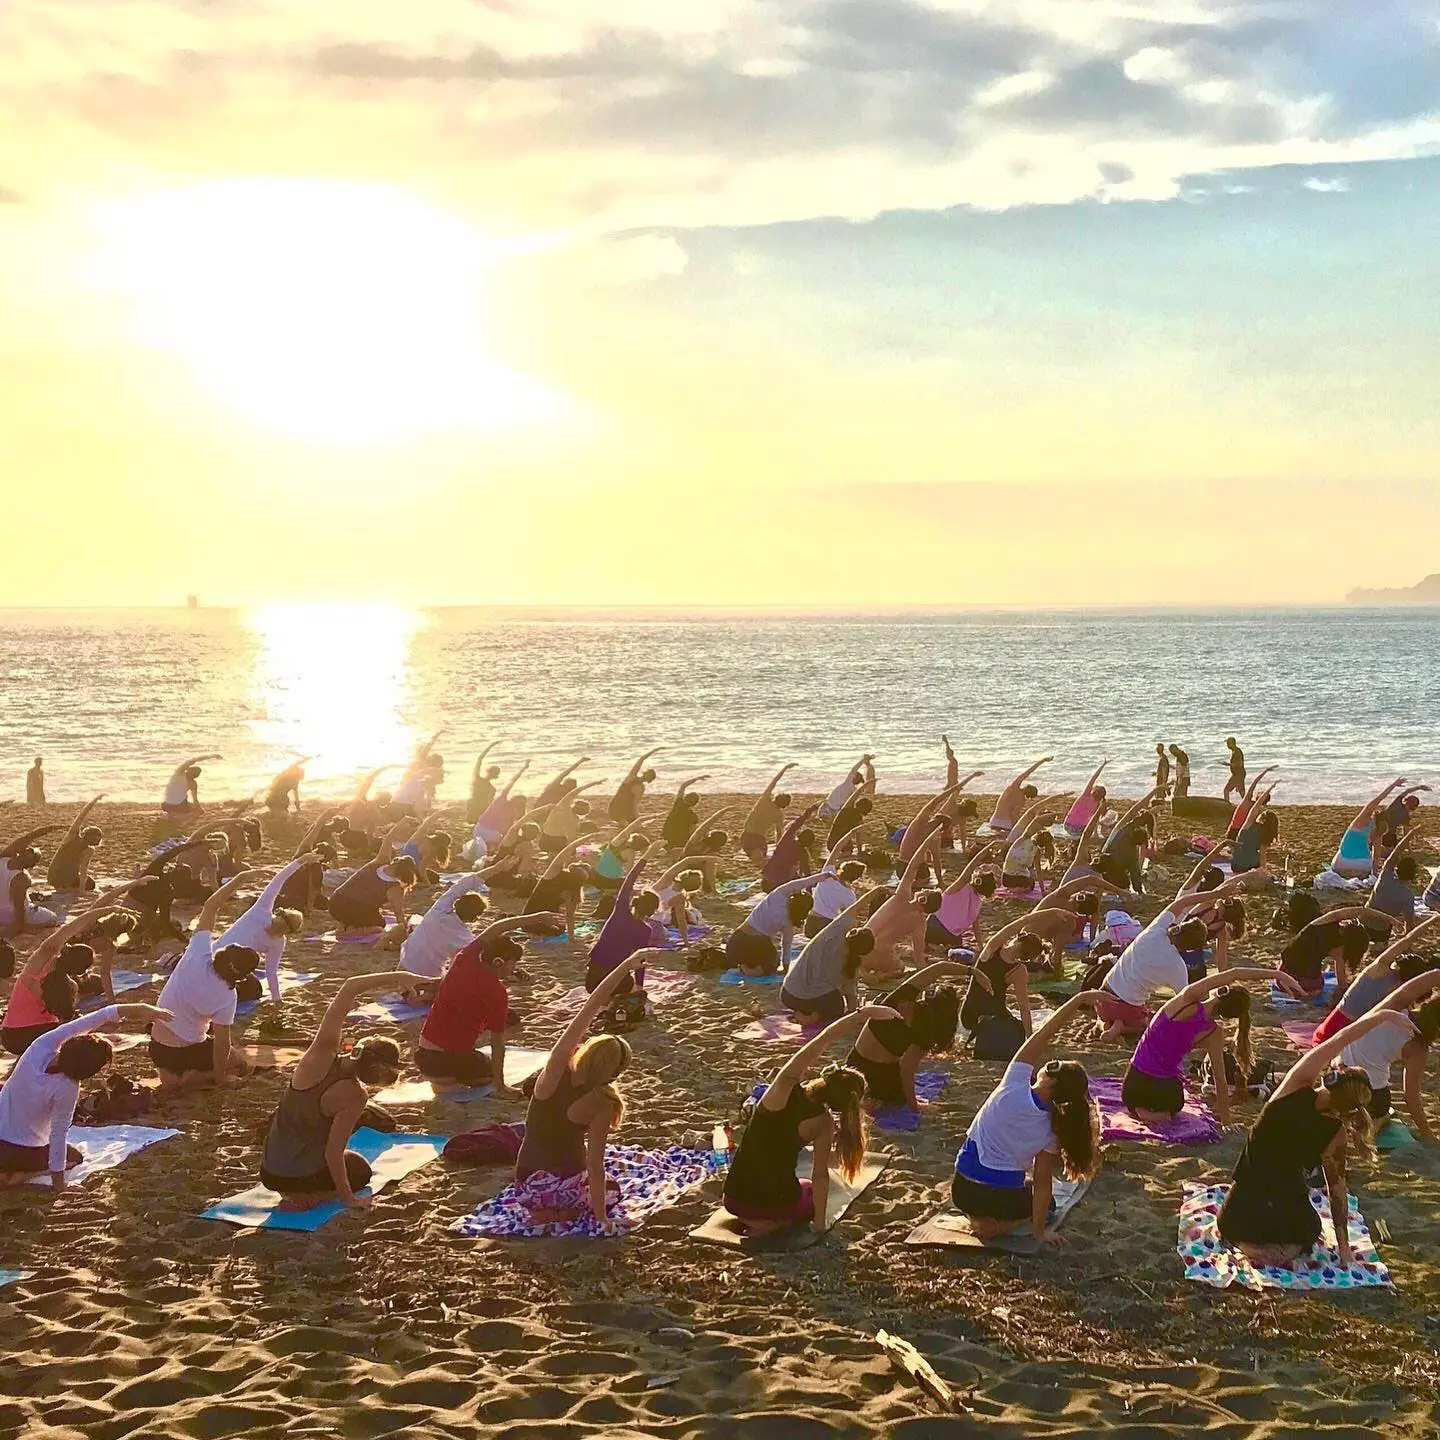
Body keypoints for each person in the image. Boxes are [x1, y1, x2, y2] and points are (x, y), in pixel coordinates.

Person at [1216, 1009, 1409, 1269]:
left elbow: (1340, 1039)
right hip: (1288, 1218)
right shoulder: (1336, 1134)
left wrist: (1383, 1015)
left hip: (1241, 1211)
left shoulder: (1295, 1086)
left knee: (1249, 1222)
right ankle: (1272, 1251)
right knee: (1307, 1231)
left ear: (1332, 1079)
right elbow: (1337, 1192)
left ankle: (1249, 1246)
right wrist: (1344, 1251)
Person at [949, 991, 1105, 1246]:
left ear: (1051, 1080)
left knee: (1015, 1184)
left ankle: (980, 1219)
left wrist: (1080, 999)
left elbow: (1044, 1033)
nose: (1048, 1062)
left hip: (963, 1192)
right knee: (1049, 1203)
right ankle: (1002, 1226)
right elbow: (1042, 1185)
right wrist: (1040, 1231)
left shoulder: (1013, 1084)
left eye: (1054, 1064)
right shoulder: (1055, 1128)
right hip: (1004, 1201)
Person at [515, 950, 654, 1231]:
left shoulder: (554, 1073)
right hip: (563, 1186)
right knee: (612, 1188)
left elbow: (589, 1008)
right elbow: (595, 1165)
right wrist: (602, 1216)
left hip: (526, 1186)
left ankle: (544, 1212)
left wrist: (625, 964)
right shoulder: (602, 1102)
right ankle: (562, 1211)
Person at [723, 1006, 891, 1236]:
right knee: (809, 1191)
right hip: (776, 1203)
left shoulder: (782, 1089)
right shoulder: (824, 1124)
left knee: (795, 1188)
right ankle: (774, 1224)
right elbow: (820, 1176)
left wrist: (863, 1013)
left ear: (825, 1077)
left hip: (734, 1198)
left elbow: (825, 1038)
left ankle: (757, 1220)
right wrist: (820, 1223)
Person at [258, 972, 409, 1210]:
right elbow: (333, 1154)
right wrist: (349, 1199)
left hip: (269, 1173)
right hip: (301, 1178)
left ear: (357, 1049)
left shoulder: (319, 1056)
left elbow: (351, 985)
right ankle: (315, 1196)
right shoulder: (355, 1096)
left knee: (344, 1158)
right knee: (360, 1169)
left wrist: (401, 975)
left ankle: (297, 1194)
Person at [0, 1000, 174, 1190]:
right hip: (20, 1152)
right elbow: (58, 1135)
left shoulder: (40, 1047)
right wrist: (60, 1185)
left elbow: (95, 1018)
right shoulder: (67, 1088)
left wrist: (139, 1009)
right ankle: (17, 1176)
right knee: (75, 1158)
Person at [1123, 968, 1302, 1126]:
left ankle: (1142, 1111)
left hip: (1134, 1084)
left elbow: (1234, 973)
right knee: (1176, 1104)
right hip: (1167, 1095)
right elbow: (1220, 1080)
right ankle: (1159, 1115)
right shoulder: (1214, 1033)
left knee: (1142, 1090)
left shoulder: (1187, 999)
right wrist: (1225, 1118)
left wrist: (1278, 974)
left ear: (1220, 993)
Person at [1094, 872, 1259, 1039]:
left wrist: (1217, 893)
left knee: (1129, 1007)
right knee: (1150, 1022)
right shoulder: (1177, 967)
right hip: (1127, 1008)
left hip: (1101, 996)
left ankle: (1105, 1023)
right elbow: (1186, 1002)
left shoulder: (1156, 930)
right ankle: (1120, 1027)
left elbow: (1182, 901)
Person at [150, 870, 267, 1090]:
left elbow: (211, 905)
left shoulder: (196, 954)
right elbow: (222, 1043)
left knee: (173, 1074)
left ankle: (175, 1077)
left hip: (157, 1048)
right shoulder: (227, 996)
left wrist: (239, 878)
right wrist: (221, 1079)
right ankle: (195, 1078)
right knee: (239, 1062)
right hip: (187, 1050)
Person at [415, 912, 558, 1091]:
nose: (514, 969)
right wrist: (500, 1084)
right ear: (499, 962)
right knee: (486, 1066)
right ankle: (461, 1080)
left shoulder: (463, 959)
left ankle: (450, 1079)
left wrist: (537, 917)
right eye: (512, 964)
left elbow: (497, 928)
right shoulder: (497, 993)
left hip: (422, 1058)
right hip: (449, 1063)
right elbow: (497, 1043)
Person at [1, 882, 142, 1055]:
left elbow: (71, 926)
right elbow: (70, 1022)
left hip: (9, 1036)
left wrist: (107, 910)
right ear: (80, 972)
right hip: (40, 1037)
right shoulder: (68, 988)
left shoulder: (39, 961)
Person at [1340, 965, 1440, 1137]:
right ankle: (1375, 1121)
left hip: (1338, 1075)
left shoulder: (1394, 1004)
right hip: (1370, 1096)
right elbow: (1411, 1098)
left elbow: (1435, 975)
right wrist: (1428, 1135)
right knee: (1384, 1109)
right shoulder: (1418, 1050)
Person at [848, 962, 965, 1109]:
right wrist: (913, 1106)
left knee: (901, 1100)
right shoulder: (906, 1009)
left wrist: (972, 971)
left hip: (864, 1064)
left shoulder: (906, 1007)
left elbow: (938, 968)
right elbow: (906, 1071)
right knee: (909, 1105)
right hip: (867, 1071)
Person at [1311, 914, 1440, 1046]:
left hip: (1331, 1030)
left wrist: (1433, 919)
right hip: (1353, 1036)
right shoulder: (1402, 992)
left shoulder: (1379, 968)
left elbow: (1408, 939)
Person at [213, 857, 319, 1007]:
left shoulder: (278, 942)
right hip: (215, 956)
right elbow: (279, 880)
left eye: (281, 929)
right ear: (277, 915)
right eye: (277, 923)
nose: (274, 928)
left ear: (287, 932)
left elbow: (271, 972)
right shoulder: (261, 911)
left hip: (235, 967)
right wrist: (301, 860)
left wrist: (277, 1000)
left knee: (254, 990)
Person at [779, 891, 876, 1025]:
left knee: (826, 996)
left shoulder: (837, 929)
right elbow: (851, 998)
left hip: (787, 994)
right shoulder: (849, 965)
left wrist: (876, 891)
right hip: (806, 998)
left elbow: (857, 906)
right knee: (836, 1008)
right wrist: (856, 1014)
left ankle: (804, 1014)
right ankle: (807, 1017)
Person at [859, 831, 945, 980]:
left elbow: (912, 866)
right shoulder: (919, 923)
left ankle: (864, 971)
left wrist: (926, 842)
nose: (924, 888)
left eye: (926, 891)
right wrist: (923, 976)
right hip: (883, 957)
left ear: (923, 900)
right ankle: (884, 974)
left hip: (861, 951)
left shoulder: (901, 897)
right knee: (900, 966)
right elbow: (919, 956)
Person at [1279, 904, 1397, 1000]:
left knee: (1315, 981)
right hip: (1297, 976)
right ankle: (1293, 987)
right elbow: (1341, 982)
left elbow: (1360, 910)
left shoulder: (1325, 921)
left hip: (1283, 968)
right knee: (1317, 988)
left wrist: (1388, 918)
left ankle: (1287, 984)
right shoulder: (1339, 947)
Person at [585, 848, 661, 995]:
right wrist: (639, 985)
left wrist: (646, 856)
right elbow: (641, 961)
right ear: (652, 911)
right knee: (628, 986)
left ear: (634, 903)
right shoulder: (645, 930)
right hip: (616, 981)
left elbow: (629, 881)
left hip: (592, 983)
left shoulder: (620, 912)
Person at [927, 842, 1005, 949]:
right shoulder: (977, 903)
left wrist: (988, 847)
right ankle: (939, 946)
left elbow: (971, 865)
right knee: (957, 941)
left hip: (933, 927)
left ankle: (932, 944)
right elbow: (976, 928)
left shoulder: (960, 886)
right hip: (950, 936)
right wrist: (981, 946)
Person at [1330, 778, 1412, 879]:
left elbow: (1379, 798)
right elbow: (1376, 857)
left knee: (1341, 853)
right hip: (1363, 866)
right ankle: (1359, 874)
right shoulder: (1378, 832)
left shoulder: (1362, 819)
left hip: (1341, 864)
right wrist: (1374, 874)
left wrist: (1394, 785)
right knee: (1380, 852)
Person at [46, 795, 105, 892]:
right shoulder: (88, 850)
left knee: (89, 882)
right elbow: (84, 870)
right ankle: (69, 890)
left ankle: (65, 889)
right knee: (90, 884)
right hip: (64, 878)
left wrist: (94, 801)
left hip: (52, 876)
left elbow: (81, 817)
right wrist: (81, 890)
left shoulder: (72, 836)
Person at [740, 763, 797, 863]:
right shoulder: (776, 812)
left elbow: (774, 782)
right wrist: (779, 848)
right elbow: (778, 834)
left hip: (749, 837)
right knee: (760, 855)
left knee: (758, 854)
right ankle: (755, 852)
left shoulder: (764, 801)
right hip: (755, 838)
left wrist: (785, 768)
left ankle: (753, 852)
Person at [985, 756, 1053, 835]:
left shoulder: (1013, 787)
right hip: (1006, 825)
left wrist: (1042, 761)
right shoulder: (1022, 801)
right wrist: (1016, 827)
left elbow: (1027, 773)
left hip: (995, 822)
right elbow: (1014, 816)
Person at [609, 748, 663, 827]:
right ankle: (623, 822)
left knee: (633, 820)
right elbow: (634, 805)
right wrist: (637, 818)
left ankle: (622, 822)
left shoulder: (632, 778)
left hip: (613, 809)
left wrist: (654, 750)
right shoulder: (638, 784)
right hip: (620, 812)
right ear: (650, 780)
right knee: (635, 823)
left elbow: (641, 759)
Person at [1230, 793, 1279, 875]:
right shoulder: (1266, 834)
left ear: (1261, 818)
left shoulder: (1248, 825)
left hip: (1237, 865)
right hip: (1252, 865)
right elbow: (1262, 856)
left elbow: (1256, 806)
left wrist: (1267, 791)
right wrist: (1264, 873)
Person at [819, 755, 874, 820]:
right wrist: (863, 760)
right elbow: (854, 769)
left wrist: (864, 760)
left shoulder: (851, 787)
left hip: (829, 810)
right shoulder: (849, 783)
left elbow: (852, 801)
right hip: (829, 809)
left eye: (856, 777)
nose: (854, 777)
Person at [1062, 761, 1109, 837]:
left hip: (1067, 826)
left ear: (1094, 790)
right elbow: (1094, 820)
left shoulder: (1085, 795)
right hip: (1080, 830)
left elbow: (1093, 778)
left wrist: (1102, 765)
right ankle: (1096, 833)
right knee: (1094, 818)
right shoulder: (1098, 804)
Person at [467, 743, 503, 825]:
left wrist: (489, 747)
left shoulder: (479, 780)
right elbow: (479, 760)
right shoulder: (490, 788)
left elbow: (479, 760)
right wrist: (489, 747)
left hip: (475, 810)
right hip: (477, 811)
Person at [1222, 738, 1246, 804]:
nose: (1227, 745)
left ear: (1233, 743)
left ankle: (1226, 804)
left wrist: (1228, 764)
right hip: (1239, 774)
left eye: (1228, 744)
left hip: (1238, 774)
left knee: (1226, 790)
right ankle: (1248, 804)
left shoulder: (1237, 752)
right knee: (1241, 791)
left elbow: (1240, 764)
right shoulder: (1235, 751)